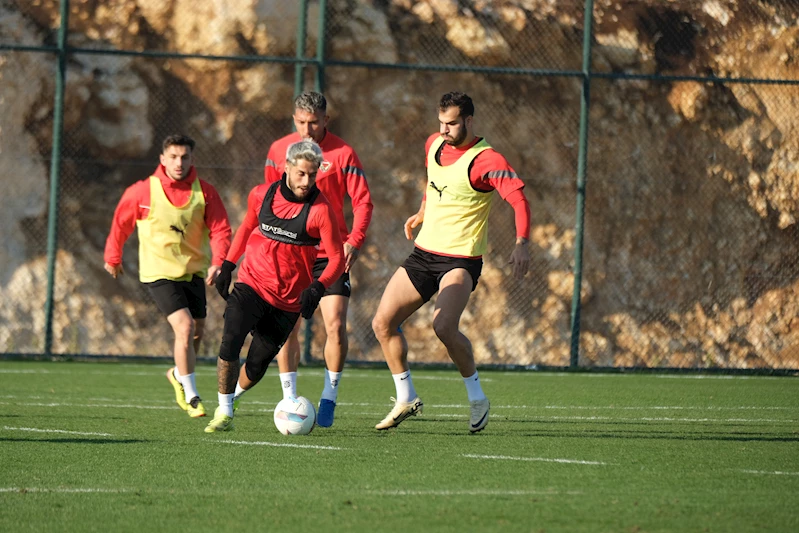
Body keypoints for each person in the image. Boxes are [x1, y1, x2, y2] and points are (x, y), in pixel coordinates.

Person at [371, 91, 531, 433]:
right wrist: (422, 211)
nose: (445, 129)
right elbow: (433, 182)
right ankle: (406, 398)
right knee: (382, 323)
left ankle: (477, 398)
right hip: (423, 254)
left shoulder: (487, 160)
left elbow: (519, 201)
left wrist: (522, 243)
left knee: (443, 326)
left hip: (460, 260)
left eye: (453, 123)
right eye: (441, 122)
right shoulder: (434, 143)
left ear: (469, 121)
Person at [235, 91, 372, 428]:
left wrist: (354, 241)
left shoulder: (343, 153)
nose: (307, 130)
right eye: (301, 122)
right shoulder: (278, 150)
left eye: (314, 122)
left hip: (330, 255)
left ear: (326, 120)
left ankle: (329, 398)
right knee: (288, 329)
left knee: (335, 324)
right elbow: (269, 203)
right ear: (293, 119)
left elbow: (363, 202)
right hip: (292, 254)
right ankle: (289, 398)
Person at [206, 139, 344, 433]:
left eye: (312, 175)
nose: (306, 182)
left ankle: (234, 397)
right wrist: (228, 265)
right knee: (230, 339)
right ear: (287, 167)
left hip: (287, 301)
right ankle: (225, 411)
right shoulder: (261, 194)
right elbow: (246, 227)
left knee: (256, 365)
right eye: (301, 174)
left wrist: (318, 287)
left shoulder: (321, 210)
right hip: (252, 284)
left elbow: (336, 259)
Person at [104, 134, 232, 418]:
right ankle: (192, 395)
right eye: (173, 157)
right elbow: (121, 222)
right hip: (158, 272)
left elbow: (221, 229)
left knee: (197, 332)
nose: (179, 162)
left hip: (193, 271)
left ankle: (177, 374)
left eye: (184, 157)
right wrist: (113, 256)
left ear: (192, 159)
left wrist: (219, 262)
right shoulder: (142, 192)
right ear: (162, 159)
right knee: (185, 327)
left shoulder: (205, 192)